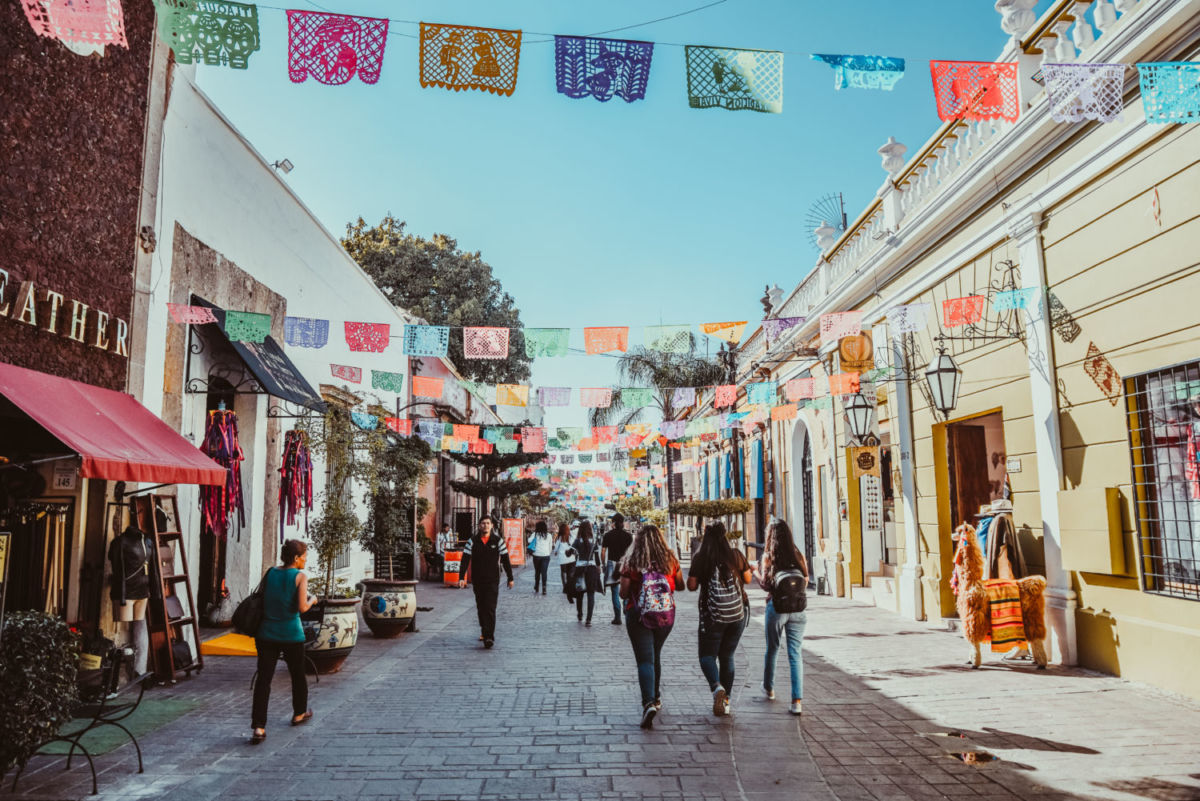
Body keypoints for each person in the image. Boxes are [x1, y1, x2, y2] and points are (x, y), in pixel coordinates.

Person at [619, 525, 684, 729]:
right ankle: (655, 697)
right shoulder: (670, 559)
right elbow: (680, 586)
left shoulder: (632, 561)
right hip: (664, 616)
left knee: (645, 660)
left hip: (638, 615)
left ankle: (648, 702)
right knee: (655, 654)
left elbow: (623, 593)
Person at [251, 539, 315, 744]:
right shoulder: (300, 577)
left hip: (266, 634)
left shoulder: (271, 573)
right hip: (291, 634)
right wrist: (313, 600)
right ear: (296, 559)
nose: (306, 560)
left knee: (264, 680)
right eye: (304, 557)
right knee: (297, 676)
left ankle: (259, 727)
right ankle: (299, 713)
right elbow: (302, 608)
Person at [687, 522, 753, 718]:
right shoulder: (736, 555)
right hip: (737, 615)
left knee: (707, 657)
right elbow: (748, 579)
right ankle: (726, 701)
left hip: (712, 616)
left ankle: (717, 688)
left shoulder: (701, 558)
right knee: (728, 657)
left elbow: (691, 585)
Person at [753, 520, 809, 715]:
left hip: (776, 608)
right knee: (795, 653)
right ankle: (797, 701)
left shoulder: (768, 557)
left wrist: (755, 572)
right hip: (799, 608)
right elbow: (806, 579)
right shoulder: (798, 555)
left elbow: (766, 585)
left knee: (773, 649)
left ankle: (768, 688)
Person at [458, 516, 514, 649]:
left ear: (492, 526)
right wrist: (461, 577)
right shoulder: (472, 541)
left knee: (490, 607)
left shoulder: (497, 541)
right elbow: (465, 559)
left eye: (488, 523)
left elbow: (505, 559)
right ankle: (484, 630)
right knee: (481, 607)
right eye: (483, 523)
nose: (486, 526)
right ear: (479, 526)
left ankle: (489, 636)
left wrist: (510, 578)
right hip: (478, 580)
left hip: (492, 580)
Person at [601, 513, 633, 625]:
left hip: (612, 564)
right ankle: (625, 607)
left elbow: (603, 551)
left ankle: (617, 617)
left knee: (614, 591)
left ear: (613, 523)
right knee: (627, 588)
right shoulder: (628, 536)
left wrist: (603, 564)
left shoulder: (608, 535)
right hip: (625, 564)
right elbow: (631, 552)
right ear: (623, 523)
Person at [571, 521, 603, 625]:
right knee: (591, 594)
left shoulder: (577, 541)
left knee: (579, 592)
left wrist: (569, 552)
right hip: (592, 569)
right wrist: (599, 568)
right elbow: (597, 558)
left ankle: (580, 613)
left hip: (580, 568)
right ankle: (588, 619)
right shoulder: (593, 541)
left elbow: (570, 552)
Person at [527, 520, 554, 595]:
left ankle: (536, 586)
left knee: (537, 572)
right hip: (545, 556)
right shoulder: (549, 535)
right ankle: (544, 588)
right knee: (544, 572)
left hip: (536, 556)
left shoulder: (535, 534)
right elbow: (550, 546)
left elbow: (529, 541)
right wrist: (547, 553)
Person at [551, 522, 576, 599]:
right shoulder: (571, 536)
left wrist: (555, 552)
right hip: (571, 558)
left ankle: (565, 587)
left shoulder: (560, 538)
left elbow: (556, 547)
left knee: (563, 572)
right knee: (570, 573)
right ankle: (569, 587)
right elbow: (574, 544)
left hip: (562, 558)